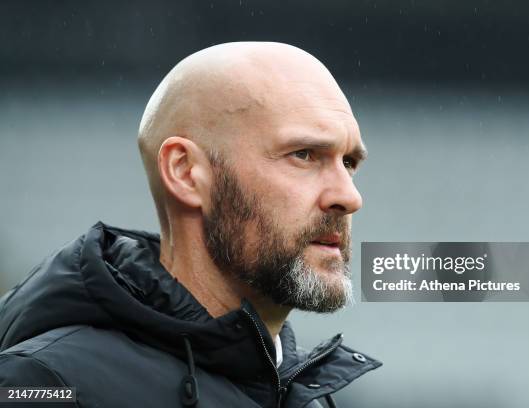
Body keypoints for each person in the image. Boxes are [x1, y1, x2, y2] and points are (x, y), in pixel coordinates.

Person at [0, 42, 381, 407]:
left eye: (349, 163)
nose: (349, 197)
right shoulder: (45, 385)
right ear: (185, 173)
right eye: (304, 154)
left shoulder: (306, 394)